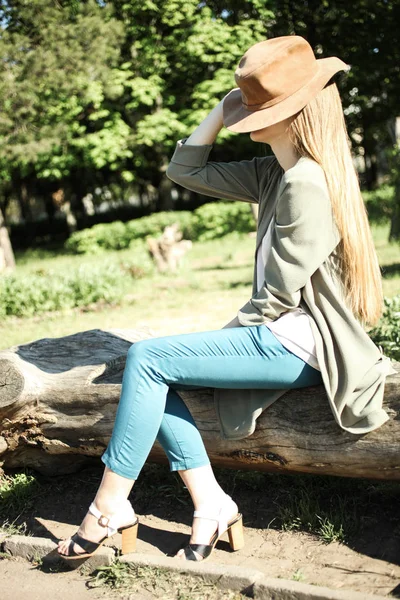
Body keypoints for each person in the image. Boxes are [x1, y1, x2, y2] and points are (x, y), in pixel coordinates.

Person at [57, 35, 395, 563]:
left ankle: (107, 507)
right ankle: (211, 502)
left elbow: (276, 297)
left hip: (304, 343)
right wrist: (221, 108)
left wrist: (216, 342)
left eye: (261, 106)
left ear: (293, 113)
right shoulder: (273, 174)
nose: (246, 114)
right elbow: (184, 171)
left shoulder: (305, 182)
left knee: (148, 359)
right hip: (282, 333)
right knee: (153, 366)